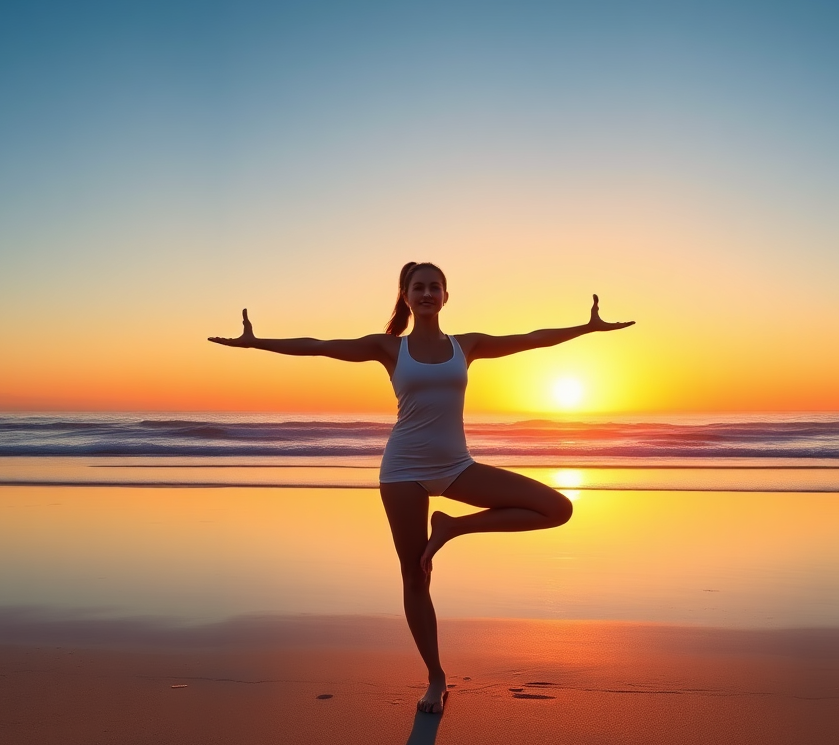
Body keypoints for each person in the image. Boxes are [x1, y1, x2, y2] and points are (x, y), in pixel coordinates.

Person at [209, 262, 634, 714]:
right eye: (419, 287)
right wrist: (257, 342)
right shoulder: (389, 348)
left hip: (457, 466)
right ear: (406, 296)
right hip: (403, 471)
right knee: (415, 574)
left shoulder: (466, 346)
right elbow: (319, 347)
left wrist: (586, 330)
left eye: (435, 287)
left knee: (557, 508)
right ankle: (435, 677)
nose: (428, 293)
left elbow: (531, 337)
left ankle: (452, 528)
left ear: (446, 297)